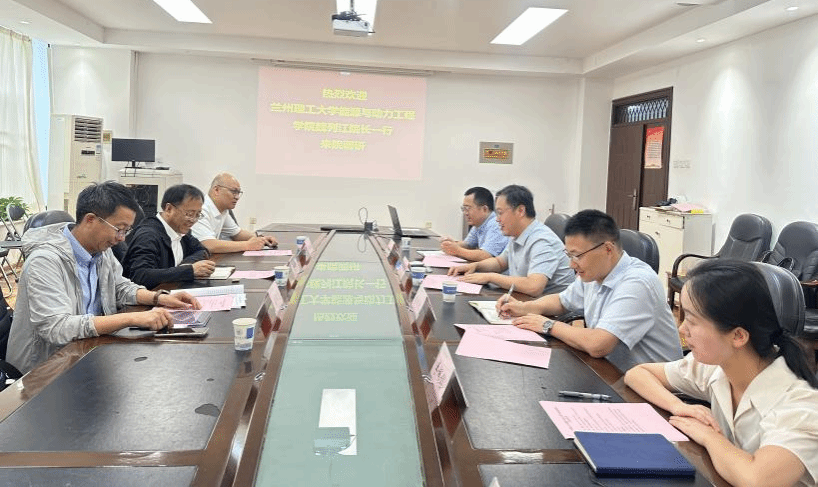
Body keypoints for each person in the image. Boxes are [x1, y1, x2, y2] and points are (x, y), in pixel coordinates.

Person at [624, 260, 818, 487]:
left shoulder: (800, 405)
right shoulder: (718, 365)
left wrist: (708, 436)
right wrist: (679, 407)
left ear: (738, 336)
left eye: (692, 321)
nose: (682, 329)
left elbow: (756, 480)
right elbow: (637, 374)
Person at [7, 182, 199, 374]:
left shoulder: (101, 251)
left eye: (126, 231)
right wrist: (132, 318)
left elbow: (120, 287)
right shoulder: (45, 261)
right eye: (119, 228)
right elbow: (57, 328)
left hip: (86, 351)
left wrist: (160, 298)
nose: (122, 238)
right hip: (44, 369)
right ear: (90, 219)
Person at [498, 209, 682, 371]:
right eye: (569, 255)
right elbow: (562, 301)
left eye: (577, 256)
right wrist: (523, 307)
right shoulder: (594, 273)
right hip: (612, 373)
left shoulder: (637, 283)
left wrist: (548, 325)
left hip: (652, 389)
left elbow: (598, 344)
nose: (571, 264)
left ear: (608, 249)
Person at [448, 184, 573, 297]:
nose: (497, 219)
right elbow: (500, 263)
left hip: (548, 309)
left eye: (500, 213)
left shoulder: (542, 240)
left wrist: (490, 277)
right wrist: (475, 266)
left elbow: (534, 286)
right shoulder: (518, 235)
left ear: (520, 211)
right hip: (525, 301)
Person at [123, 184, 216, 289]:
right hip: (150, 296)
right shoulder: (148, 236)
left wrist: (186, 266)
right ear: (169, 209)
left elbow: (201, 250)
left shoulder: (180, 230)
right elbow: (140, 275)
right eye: (189, 214)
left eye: (198, 215)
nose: (193, 220)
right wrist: (188, 271)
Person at [190, 173, 277, 253]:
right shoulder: (200, 209)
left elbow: (237, 234)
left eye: (238, 193)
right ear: (216, 190)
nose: (237, 197)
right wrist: (248, 245)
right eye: (234, 192)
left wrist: (262, 239)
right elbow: (208, 245)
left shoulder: (223, 210)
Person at [440, 186, 508, 262]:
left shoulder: (496, 224)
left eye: (468, 208)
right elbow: (468, 244)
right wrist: (450, 244)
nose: (465, 213)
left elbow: (486, 255)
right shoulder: (478, 223)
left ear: (484, 209)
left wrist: (457, 250)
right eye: (464, 209)